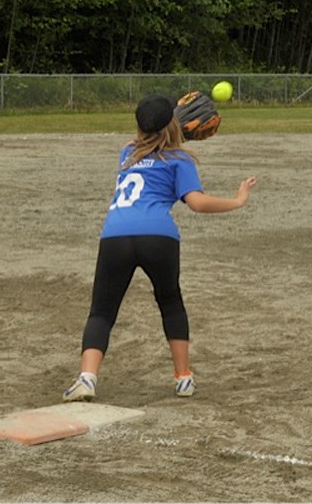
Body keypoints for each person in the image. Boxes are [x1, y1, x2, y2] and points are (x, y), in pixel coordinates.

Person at [62, 94, 257, 402]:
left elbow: (149, 143)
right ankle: (183, 378)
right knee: (170, 303)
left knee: (101, 311)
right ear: (173, 124)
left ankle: (87, 378)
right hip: (159, 237)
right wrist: (237, 200)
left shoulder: (127, 153)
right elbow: (196, 202)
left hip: (115, 234)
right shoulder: (181, 159)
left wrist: (167, 126)